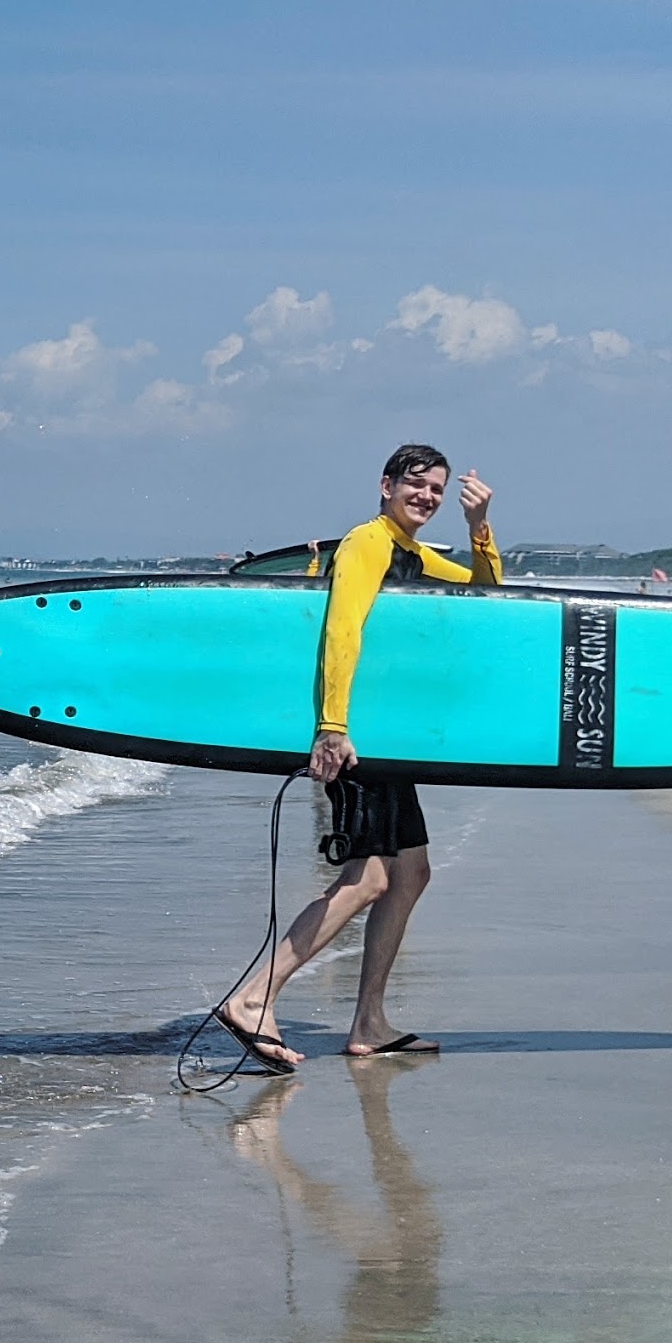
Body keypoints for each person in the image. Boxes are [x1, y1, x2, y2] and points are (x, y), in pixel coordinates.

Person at [216, 444, 501, 1070]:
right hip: (356, 738)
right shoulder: (366, 544)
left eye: (437, 489)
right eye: (415, 485)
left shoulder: (413, 553)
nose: (425, 496)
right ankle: (253, 996)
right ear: (386, 485)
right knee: (368, 878)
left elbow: (486, 597)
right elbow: (341, 630)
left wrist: (480, 529)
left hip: (389, 738)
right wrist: (331, 726)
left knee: (411, 874)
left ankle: (369, 1020)